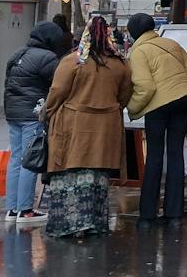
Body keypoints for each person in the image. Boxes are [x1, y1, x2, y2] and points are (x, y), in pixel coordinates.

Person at [40, 17, 130, 239]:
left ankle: (67, 224)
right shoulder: (120, 64)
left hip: (73, 125)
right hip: (106, 127)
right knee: (98, 174)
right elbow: (124, 96)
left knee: (69, 171)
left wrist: (47, 112)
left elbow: (57, 92)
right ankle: (94, 222)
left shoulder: (73, 61)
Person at [127, 11, 187, 223]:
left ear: (133, 32)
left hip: (158, 106)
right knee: (176, 154)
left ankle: (148, 213)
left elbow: (145, 87)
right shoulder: (172, 44)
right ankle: (174, 211)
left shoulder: (138, 51)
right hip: (183, 101)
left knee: (155, 156)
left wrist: (132, 109)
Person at [1, 21, 67, 226]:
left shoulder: (17, 54)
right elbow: (58, 85)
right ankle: (26, 211)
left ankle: (12, 209)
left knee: (16, 159)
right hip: (32, 114)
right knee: (30, 160)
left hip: (13, 113)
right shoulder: (47, 58)